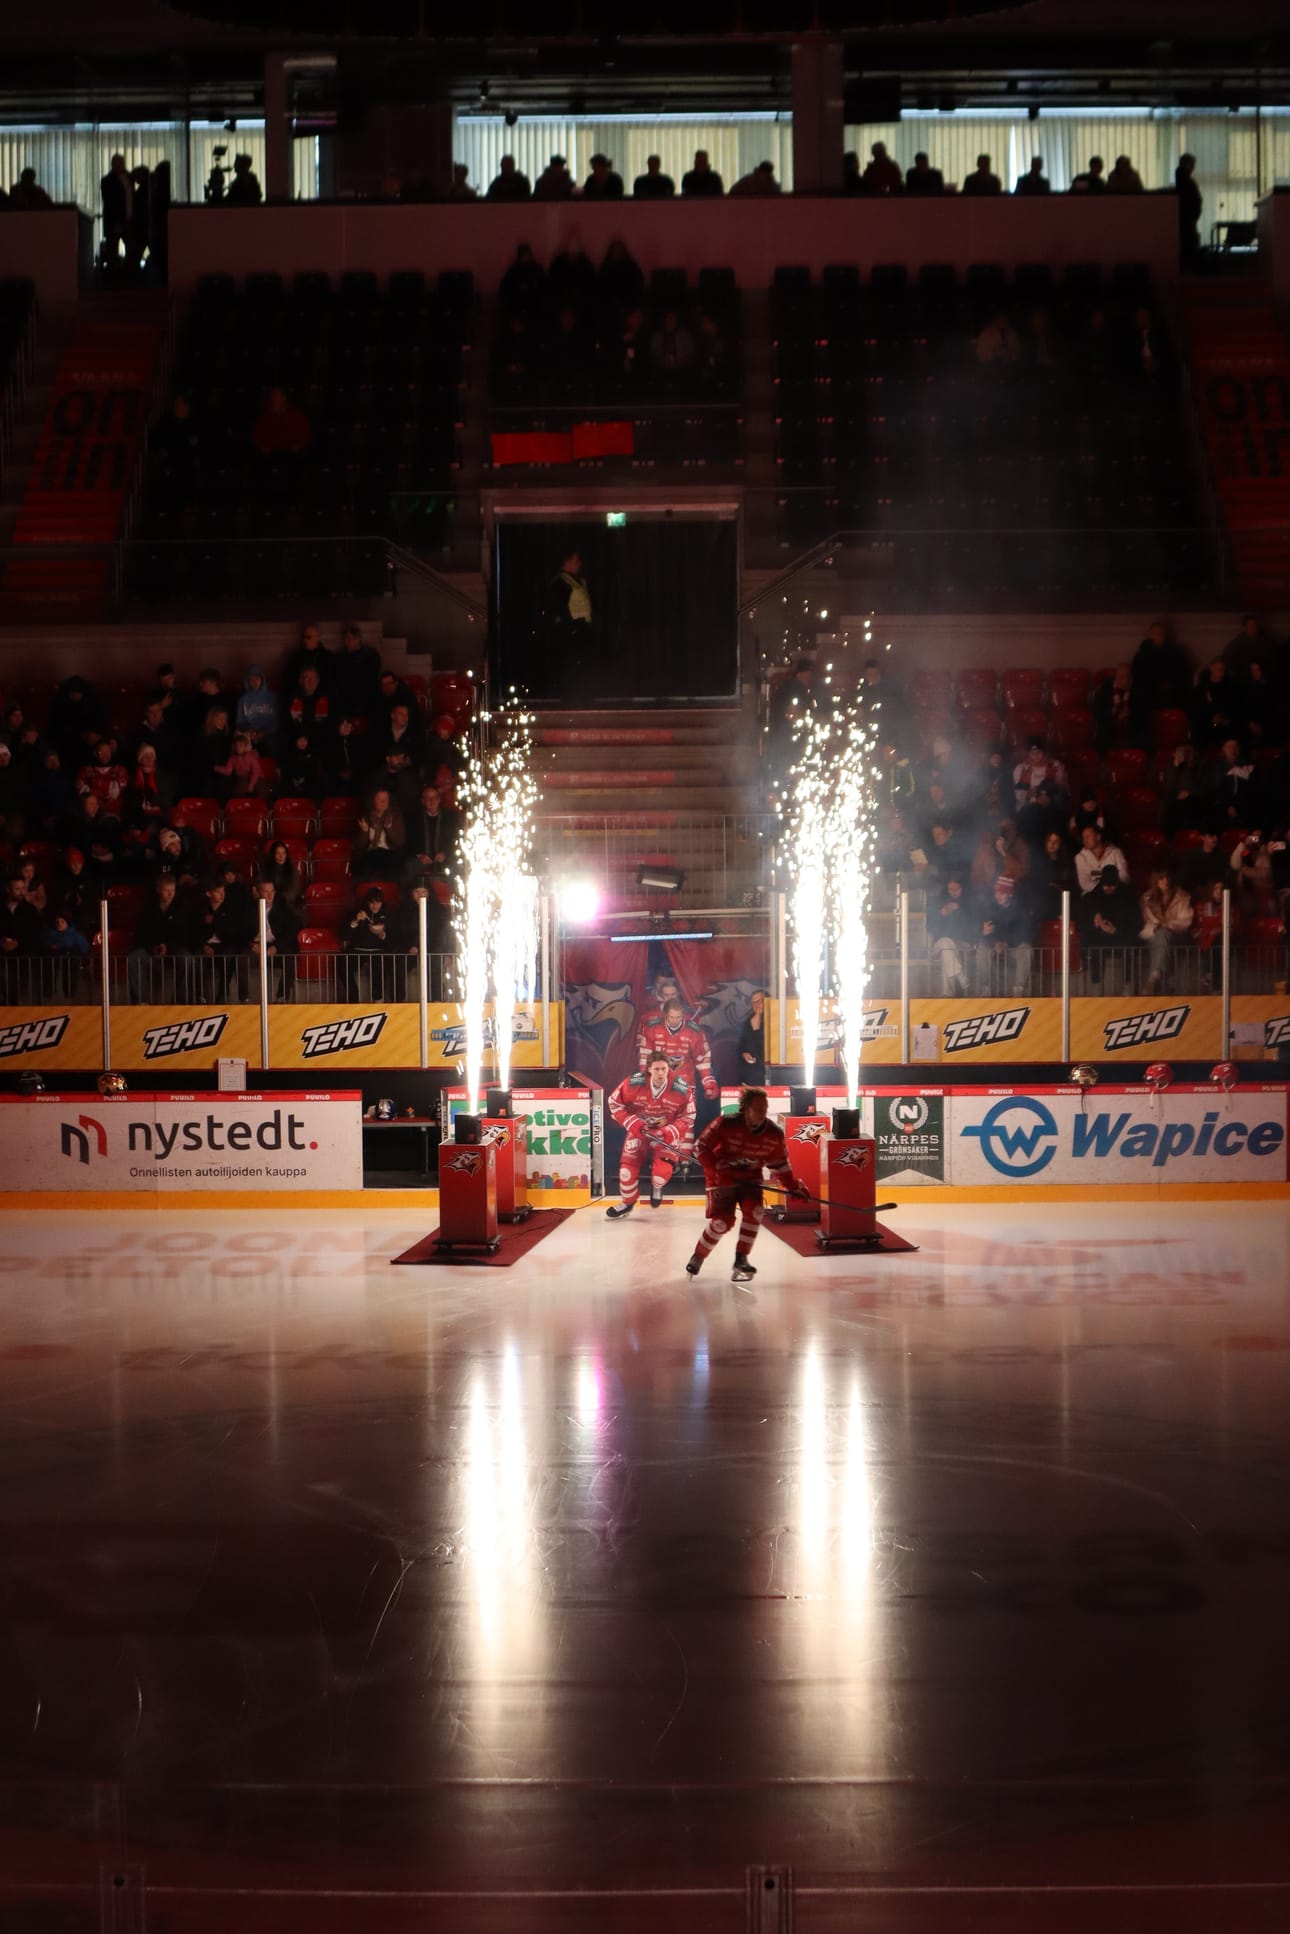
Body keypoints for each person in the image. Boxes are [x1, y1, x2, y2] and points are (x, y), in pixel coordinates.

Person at [687, 1087, 805, 1283]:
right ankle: (698, 1255)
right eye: (757, 1108)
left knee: (756, 1211)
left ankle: (741, 1259)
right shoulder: (726, 1123)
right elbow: (700, 1147)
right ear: (746, 1108)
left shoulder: (774, 1134)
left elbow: (779, 1164)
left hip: (750, 1180)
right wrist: (715, 1167)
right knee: (721, 1223)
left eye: (765, 1108)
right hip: (720, 1179)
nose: (762, 1112)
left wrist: (793, 1186)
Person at [605, 1055, 693, 1216]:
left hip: (665, 1134)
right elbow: (613, 1102)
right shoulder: (633, 1083)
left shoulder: (681, 1088)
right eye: (657, 1069)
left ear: (669, 1069)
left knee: (660, 1176)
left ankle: (657, 1188)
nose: (661, 1073)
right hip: (639, 1131)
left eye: (664, 1069)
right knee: (626, 1172)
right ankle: (627, 1202)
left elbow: (689, 1116)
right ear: (649, 1070)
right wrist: (631, 1122)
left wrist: (669, 1131)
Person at [637, 993, 717, 1164]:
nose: (674, 1020)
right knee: (659, 1121)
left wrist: (708, 1081)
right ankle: (661, 1159)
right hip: (659, 1085)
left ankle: (684, 1159)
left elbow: (703, 1058)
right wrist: (645, 1081)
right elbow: (645, 1056)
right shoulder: (652, 1028)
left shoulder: (694, 1031)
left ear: (683, 1015)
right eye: (671, 1017)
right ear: (665, 1015)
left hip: (685, 1084)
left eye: (678, 1017)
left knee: (686, 1121)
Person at [128, 874, 196, 1003]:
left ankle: (179, 1001)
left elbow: (184, 934)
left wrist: (167, 946)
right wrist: (153, 947)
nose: (170, 894)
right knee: (134, 958)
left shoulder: (182, 907)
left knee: (186, 959)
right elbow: (142, 933)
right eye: (167, 890)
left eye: (173, 890)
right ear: (158, 890)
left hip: (174, 949)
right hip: (151, 949)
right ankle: (140, 1001)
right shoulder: (148, 908)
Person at [1076, 863, 1142, 988]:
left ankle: (1129, 985)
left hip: (1122, 937)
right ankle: (1096, 985)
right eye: (1106, 885)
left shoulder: (1128, 898)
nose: (1109, 889)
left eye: (1112, 886)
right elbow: (1080, 925)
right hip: (1096, 938)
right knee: (1093, 944)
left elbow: (1137, 924)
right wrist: (1096, 925)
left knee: (1131, 945)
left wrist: (1116, 930)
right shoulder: (1090, 899)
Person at [972, 874, 1033, 996]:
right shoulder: (990, 908)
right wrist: (994, 941)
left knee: (1026, 949)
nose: (998, 896)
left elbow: (1025, 932)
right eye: (996, 893)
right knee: (982, 948)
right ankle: (984, 987)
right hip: (995, 946)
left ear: (1009, 894)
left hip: (1013, 947)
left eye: (1002, 893)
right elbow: (986, 931)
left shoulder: (1021, 909)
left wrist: (1007, 943)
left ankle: (1019, 988)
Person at [1139, 867, 1193, 993]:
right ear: (1156, 881)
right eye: (1161, 878)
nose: (1165, 881)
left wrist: (1167, 925)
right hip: (1154, 933)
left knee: (1163, 935)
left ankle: (1155, 976)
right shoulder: (1147, 898)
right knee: (1160, 939)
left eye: (1167, 878)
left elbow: (1186, 921)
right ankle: (1165, 981)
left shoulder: (1183, 896)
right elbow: (1147, 920)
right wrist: (1159, 927)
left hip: (1178, 934)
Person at [342, 886, 392, 999]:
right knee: (342, 965)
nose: (375, 906)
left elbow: (393, 938)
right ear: (367, 902)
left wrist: (381, 933)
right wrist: (355, 920)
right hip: (356, 951)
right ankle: (353, 998)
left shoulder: (388, 913)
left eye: (378, 903)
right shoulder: (356, 912)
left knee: (383, 965)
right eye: (372, 903)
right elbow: (345, 935)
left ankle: (378, 999)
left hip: (378, 951)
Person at [405, 782, 458, 882]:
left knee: (456, 865)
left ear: (439, 799)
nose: (432, 801)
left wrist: (445, 854)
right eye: (428, 798)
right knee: (410, 865)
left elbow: (455, 840)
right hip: (422, 859)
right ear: (423, 801)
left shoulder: (450, 817)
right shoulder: (414, 818)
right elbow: (409, 841)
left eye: (434, 798)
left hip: (444, 857)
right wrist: (419, 855)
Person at [926, 876, 969, 996]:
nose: (954, 892)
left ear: (962, 888)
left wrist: (958, 911)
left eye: (957, 889)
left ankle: (947, 995)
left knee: (947, 952)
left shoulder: (967, 904)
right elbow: (930, 927)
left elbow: (969, 927)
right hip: (937, 945)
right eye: (951, 889)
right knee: (945, 943)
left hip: (959, 945)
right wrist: (940, 914)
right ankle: (959, 974)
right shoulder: (938, 904)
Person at [352, 786, 406, 880]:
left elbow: (400, 842)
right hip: (370, 852)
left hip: (390, 852)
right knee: (364, 868)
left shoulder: (395, 816)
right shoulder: (366, 816)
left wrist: (389, 828)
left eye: (385, 799)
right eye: (379, 799)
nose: (383, 802)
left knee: (394, 869)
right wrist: (364, 831)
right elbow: (359, 845)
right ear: (373, 800)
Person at [252, 387, 310, 458]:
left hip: (291, 457)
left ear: (284, 398)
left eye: (275, 396)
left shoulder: (297, 416)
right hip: (269, 457)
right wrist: (261, 446)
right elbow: (256, 437)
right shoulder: (265, 417)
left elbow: (306, 437)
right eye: (272, 396)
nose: (272, 399)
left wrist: (297, 447)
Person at [1075, 823, 1130, 896]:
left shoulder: (1115, 853)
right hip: (1092, 896)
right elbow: (1084, 882)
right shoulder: (1080, 857)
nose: (1085, 840)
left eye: (1088, 837)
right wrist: (1103, 888)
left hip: (1115, 894)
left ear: (1098, 837)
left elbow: (1124, 876)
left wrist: (1111, 887)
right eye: (1083, 838)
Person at [100, 153, 133, 262]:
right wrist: (116, 222)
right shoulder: (106, 181)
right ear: (113, 164)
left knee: (131, 251)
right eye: (119, 163)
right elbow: (111, 203)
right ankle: (113, 276)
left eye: (123, 162)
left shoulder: (129, 178)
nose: (122, 165)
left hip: (129, 220)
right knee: (112, 252)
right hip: (114, 222)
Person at [1176, 153, 1202, 264]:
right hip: (1187, 217)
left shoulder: (1182, 179)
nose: (1193, 167)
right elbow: (1193, 199)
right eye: (1192, 164)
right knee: (1189, 245)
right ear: (1186, 164)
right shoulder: (1186, 181)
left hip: (1188, 217)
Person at [737, 990, 768, 1084]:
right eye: (754, 1002)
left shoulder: (774, 1019)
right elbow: (740, 1046)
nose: (757, 1005)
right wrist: (743, 1054)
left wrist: (756, 1029)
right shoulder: (748, 1022)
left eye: (760, 1001)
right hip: (751, 1075)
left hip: (767, 1074)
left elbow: (764, 1051)